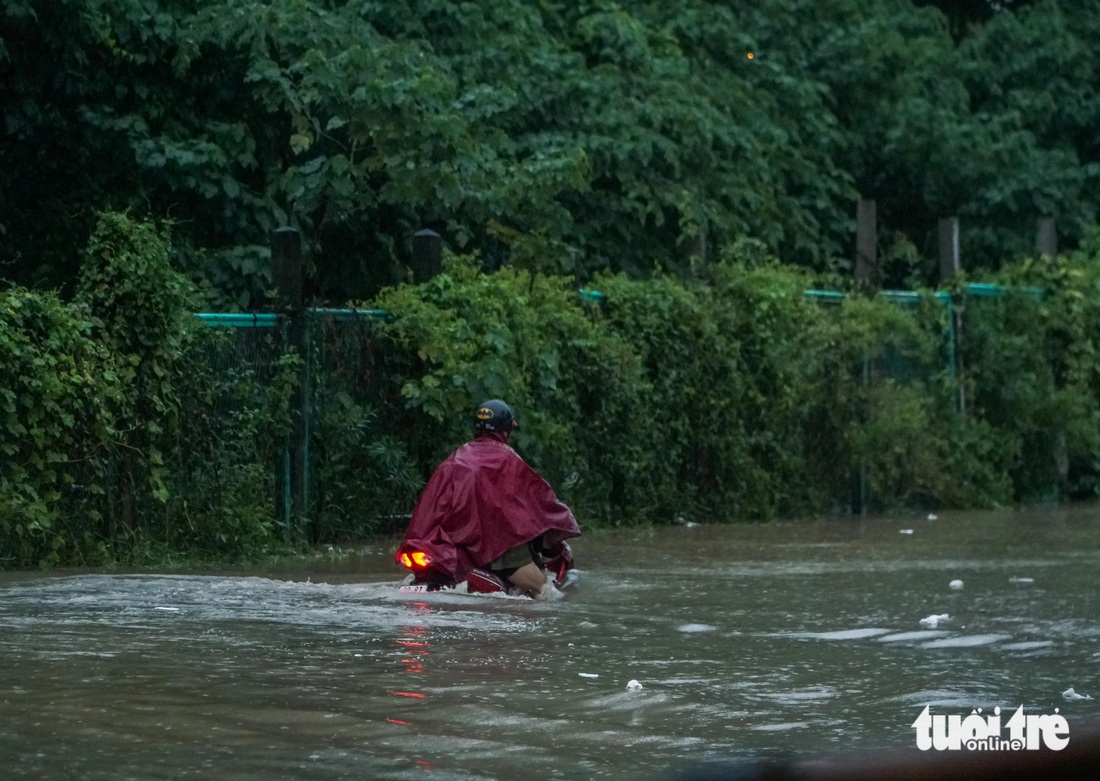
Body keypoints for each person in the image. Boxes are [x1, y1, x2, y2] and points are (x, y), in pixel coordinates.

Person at [395, 399, 580, 599]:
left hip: (450, 544)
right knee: (547, 594)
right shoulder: (507, 459)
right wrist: (558, 515)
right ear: (506, 429)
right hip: (497, 541)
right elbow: (535, 498)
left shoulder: (454, 459)